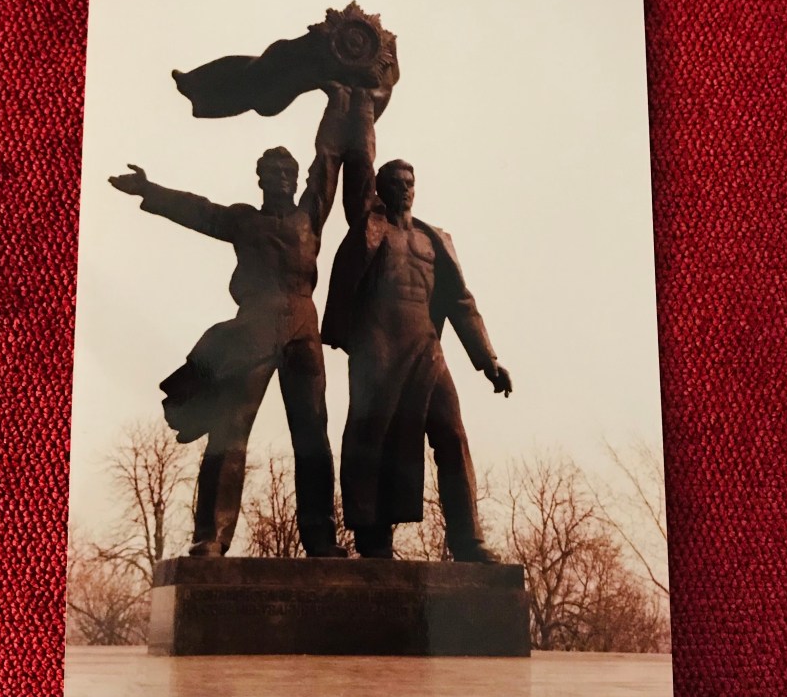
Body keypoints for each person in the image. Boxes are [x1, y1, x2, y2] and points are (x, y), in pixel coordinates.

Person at [109, 85, 360, 558]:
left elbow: (327, 161)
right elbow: (200, 211)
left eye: (288, 171)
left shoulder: (312, 216)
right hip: (256, 331)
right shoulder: (244, 221)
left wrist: (340, 105)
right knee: (231, 431)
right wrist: (150, 191)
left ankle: (322, 537)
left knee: (312, 435)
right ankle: (212, 536)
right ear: (261, 180)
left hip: (304, 329)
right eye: (273, 172)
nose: (283, 177)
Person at [321, 95, 512, 561]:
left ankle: (467, 539)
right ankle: (373, 540)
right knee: (373, 441)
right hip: (377, 353)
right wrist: (361, 105)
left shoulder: (434, 240)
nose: (404, 188)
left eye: (410, 181)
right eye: (395, 182)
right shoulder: (370, 226)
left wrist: (488, 361)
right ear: (381, 189)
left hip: (426, 352)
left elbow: (462, 304)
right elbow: (361, 162)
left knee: (452, 435)